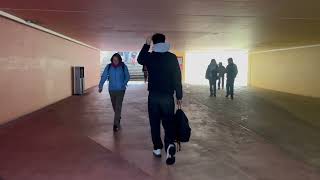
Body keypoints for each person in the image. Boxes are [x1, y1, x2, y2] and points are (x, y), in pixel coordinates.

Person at [137, 33, 183, 165]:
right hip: (168, 97)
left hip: (154, 97)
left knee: (154, 123)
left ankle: (157, 148)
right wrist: (179, 96)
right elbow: (177, 78)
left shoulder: (151, 57)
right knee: (168, 123)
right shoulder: (172, 57)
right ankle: (169, 146)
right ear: (164, 42)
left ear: (154, 43)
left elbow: (140, 59)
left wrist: (146, 44)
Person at [98, 53, 130, 132]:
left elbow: (127, 76)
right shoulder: (109, 67)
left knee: (118, 106)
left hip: (121, 90)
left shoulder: (123, 66)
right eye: (114, 60)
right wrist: (100, 85)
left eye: (117, 60)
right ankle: (118, 116)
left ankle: (116, 124)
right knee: (114, 105)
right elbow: (104, 76)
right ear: (112, 60)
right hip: (111, 89)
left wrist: (123, 83)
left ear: (119, 60)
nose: (115, 61)